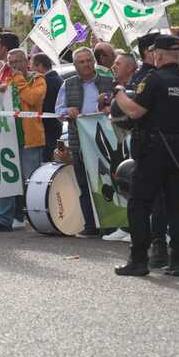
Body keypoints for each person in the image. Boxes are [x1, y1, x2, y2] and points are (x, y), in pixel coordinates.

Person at [113, 35, 179, 277]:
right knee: (176, 206)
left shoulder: (154, 80)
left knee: (139, 204)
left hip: (154, 149)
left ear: (159, 55)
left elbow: (134, 111)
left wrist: (119, 92)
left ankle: (139, 260)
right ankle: (177, 261)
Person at [56, 47, 114, 238]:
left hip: (107, 142)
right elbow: (59, 112)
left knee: (109, 181)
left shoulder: (107, 81)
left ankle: (113, 225)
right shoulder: (68, 84)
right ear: (75, 65)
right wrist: (68, 111)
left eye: (89, 60)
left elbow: (119, 105)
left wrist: (109, 105)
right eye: (81, 62)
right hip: (79, 141)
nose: (86, 64)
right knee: (85, 184)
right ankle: (91, 225)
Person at [0, 48, 46, 233]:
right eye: (10, 63)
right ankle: (5, 219)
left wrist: (19, 80)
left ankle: (32, 218)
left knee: (29, 181)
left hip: (30, 138)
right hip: (9, 137)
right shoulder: (7, 80)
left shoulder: (37, 79)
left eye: (17, 62)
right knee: (9, 178)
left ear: (26, 61)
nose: (13, 66)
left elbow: (32, 98)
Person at [32, 53, 63, 161]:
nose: (32, 70)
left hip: (48, 128)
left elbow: (44, 106)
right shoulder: (58, 79)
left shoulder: (46, 82)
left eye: (33, 66)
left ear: (40, 66)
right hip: (56, 126)